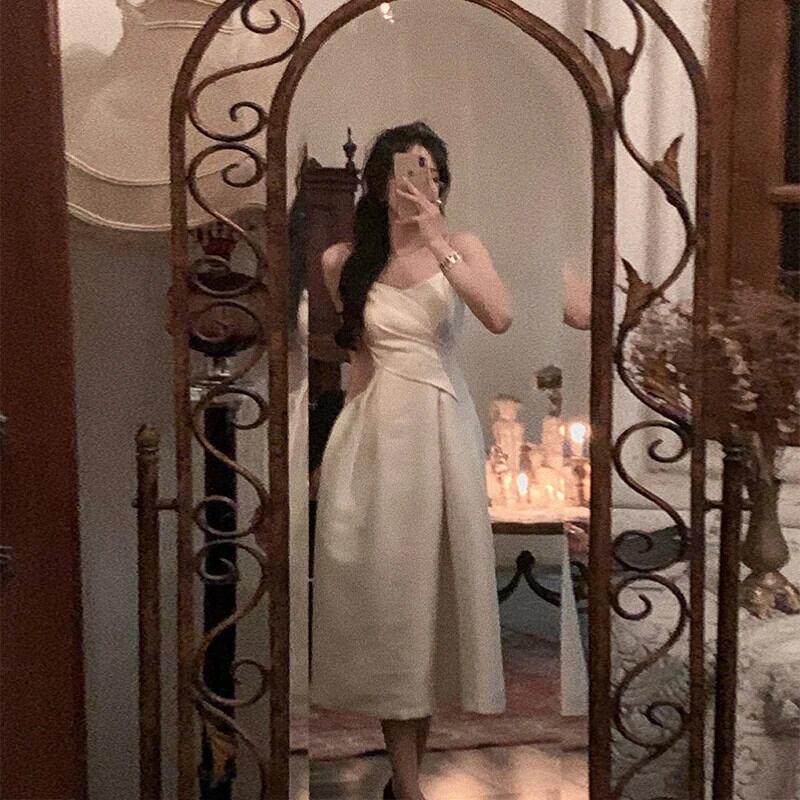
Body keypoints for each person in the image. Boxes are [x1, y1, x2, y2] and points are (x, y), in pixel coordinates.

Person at [310, 121, 512, 800]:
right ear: (379, 184)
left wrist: (436, 239)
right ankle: (408, 785)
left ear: (441, 181)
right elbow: (360, 364)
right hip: (373, 437)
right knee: (390, 602)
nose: (417, 183)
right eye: (404, 171)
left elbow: (499, 316)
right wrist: (329, 459)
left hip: (441, 432)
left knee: (432, 603)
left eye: (430, 170)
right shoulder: (343, 261)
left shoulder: (463, 247)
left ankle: (406, 783)